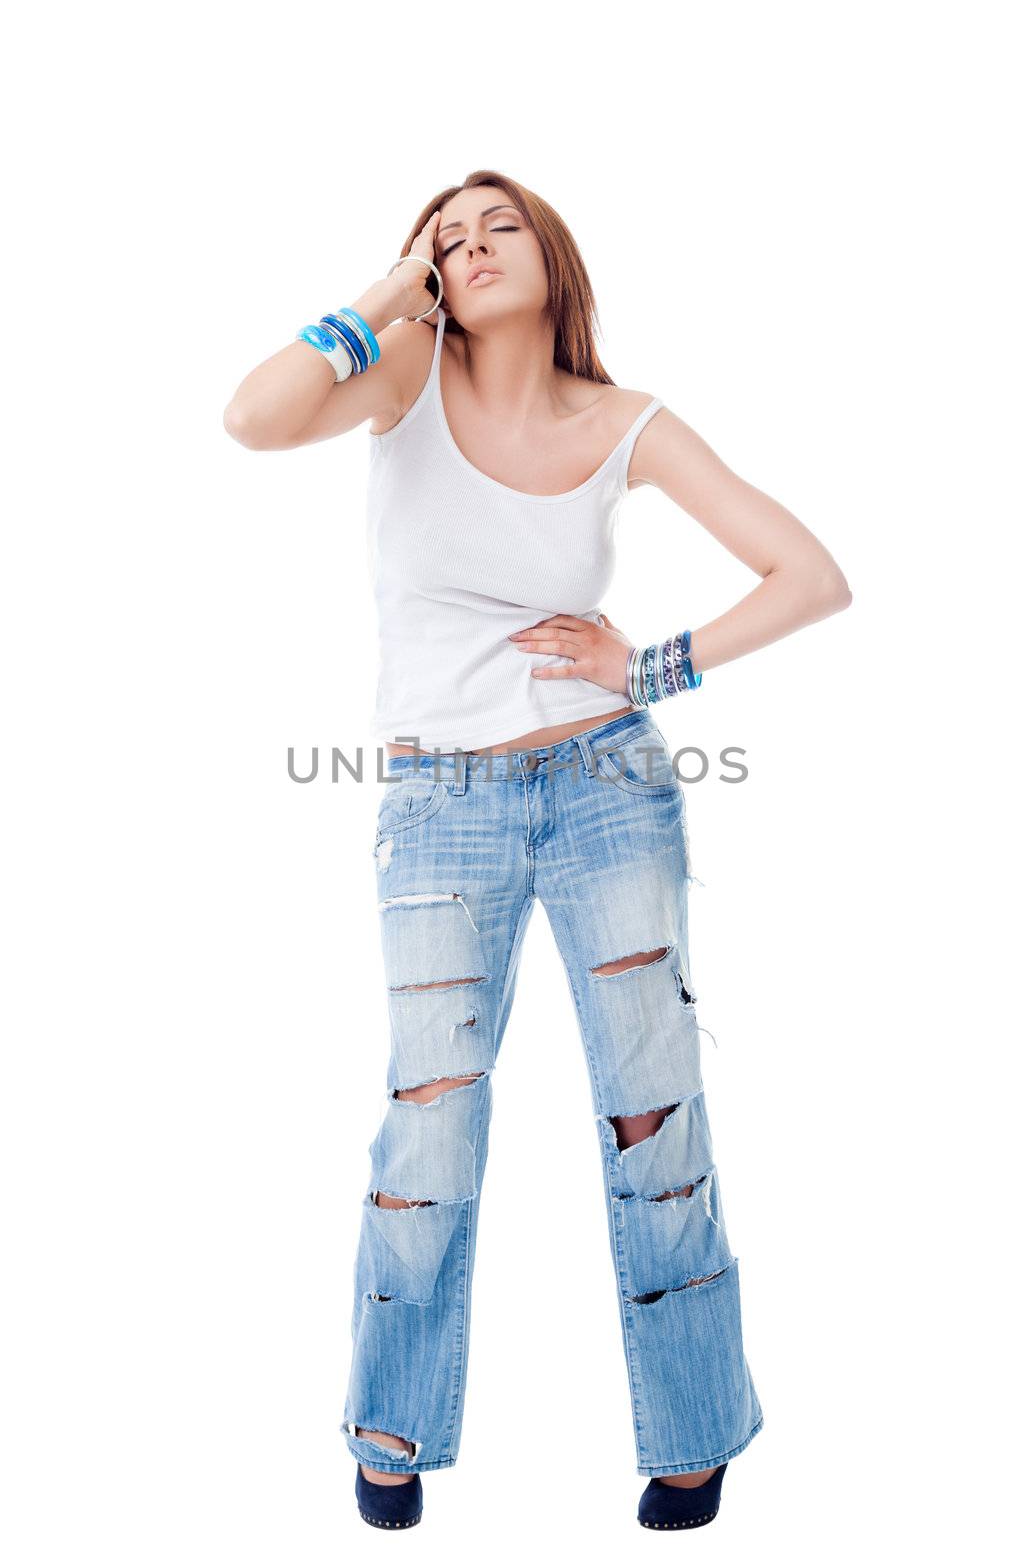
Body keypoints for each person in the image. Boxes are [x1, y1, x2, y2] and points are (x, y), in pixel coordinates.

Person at [223, 168, 851, 1531]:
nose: (470, 244)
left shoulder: (628, 421)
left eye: (499, 223)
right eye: (447, 235)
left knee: (655, 1117)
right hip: (438, 806)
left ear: (555, 260)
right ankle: (391, 1426)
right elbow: (251, 420)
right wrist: (391, 291)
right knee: (429, 1124)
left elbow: (811, 573)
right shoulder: (400, 374)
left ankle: (694, 1430)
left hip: (607, 787)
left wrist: (655, 666)